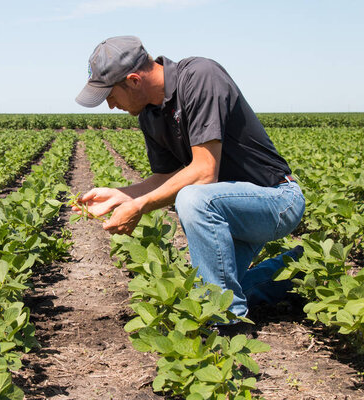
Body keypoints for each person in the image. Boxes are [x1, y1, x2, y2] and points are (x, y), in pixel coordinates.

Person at [74, 36, 305, 319]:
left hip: (275, 199)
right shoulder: (150, 115)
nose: (110, 106)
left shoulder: (200, 76)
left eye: (111, 95)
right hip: (227, 209)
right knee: (210, 293)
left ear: (134, 80)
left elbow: (204, 172)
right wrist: (123, 195)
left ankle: (227, 324)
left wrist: (140, 206)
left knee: (193, 198)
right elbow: (166, 176)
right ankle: (300, 268)